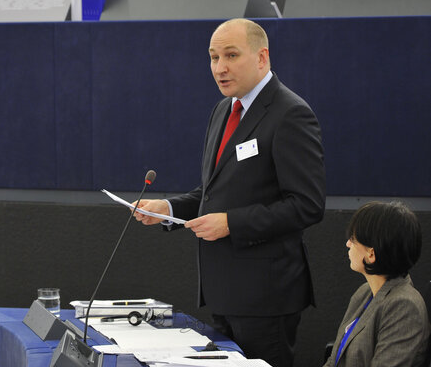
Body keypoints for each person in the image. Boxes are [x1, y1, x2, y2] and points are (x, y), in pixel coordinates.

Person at [134, 18, 326, 367]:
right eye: (213, 57)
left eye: (231, 55)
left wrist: (232, 224)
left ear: (262, 58)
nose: (219, 68)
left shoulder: (290, 114)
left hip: (266, 297)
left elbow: (307, 206)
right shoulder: (224, 109)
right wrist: (169, 209)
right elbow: (214, 193)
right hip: (222, 291)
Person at [323, 201, 429, 367]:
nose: (347, 244)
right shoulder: (365, 292)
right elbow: (334, 361)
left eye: (353, 239)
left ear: (371, 254)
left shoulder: (404, 306)